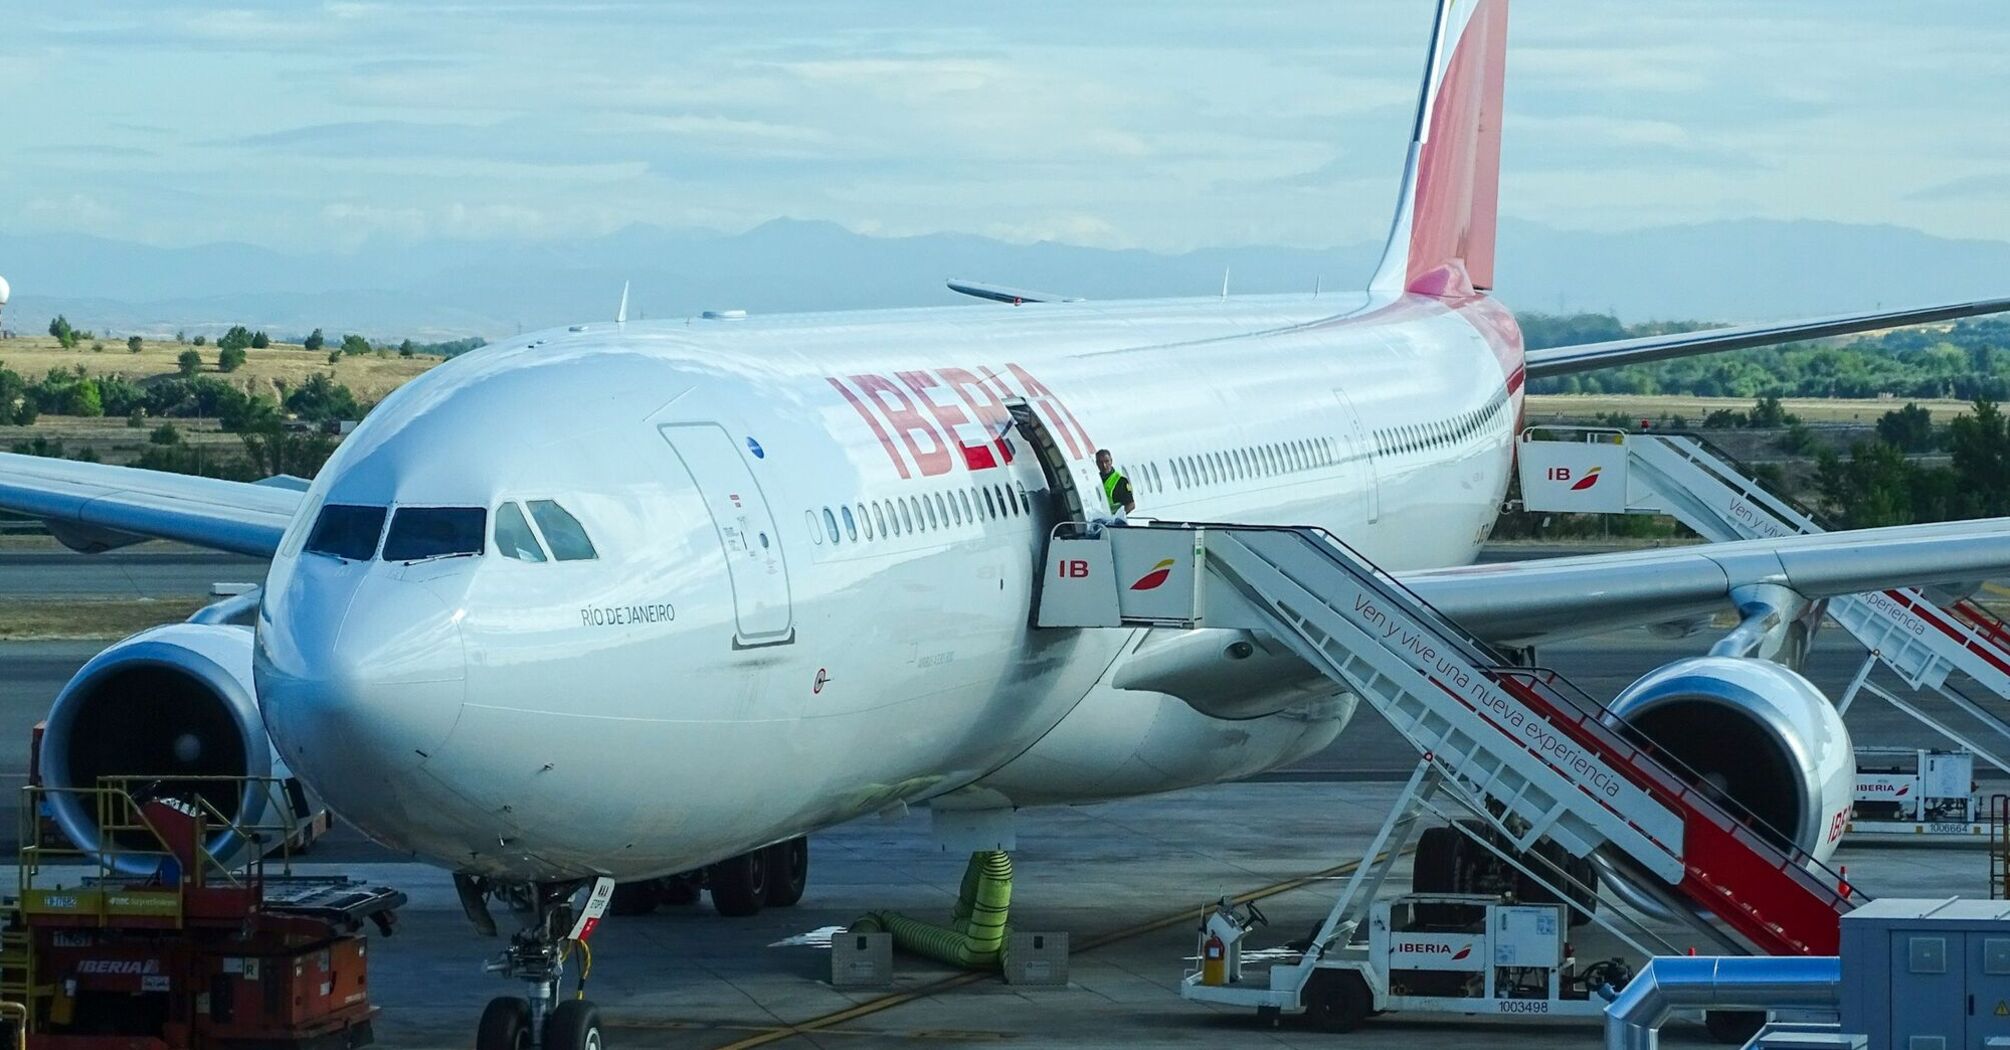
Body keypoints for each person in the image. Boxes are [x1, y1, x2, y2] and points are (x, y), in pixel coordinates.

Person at [1096, 449, 1134, 515]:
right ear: (1097, 463)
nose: (1104, 465)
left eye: (1107, 461)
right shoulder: (1095, 481)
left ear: (1111, 461)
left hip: (1116, 523)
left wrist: (1116, 517)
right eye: (1100, 462)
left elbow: (1131, 505)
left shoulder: (1122, 481)